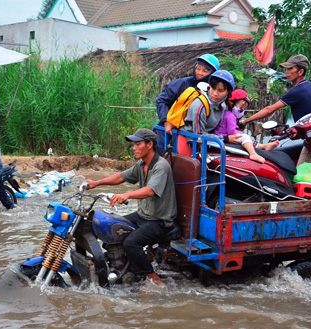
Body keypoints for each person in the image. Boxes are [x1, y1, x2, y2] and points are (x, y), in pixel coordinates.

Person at [86, 128, 177, 285]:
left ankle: (151, 277)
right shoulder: (142, 164)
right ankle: (121, 266)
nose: (134, 148)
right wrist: (96, 183)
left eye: (138, 144)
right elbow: (121, 177)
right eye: (133, 145)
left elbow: (150, 191)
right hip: (143, 214)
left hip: (160, 220)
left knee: (131, 243)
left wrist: (126, 195)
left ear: (149, 145)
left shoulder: (160, 166)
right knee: (110, 228)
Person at [240, 54, 311, 164]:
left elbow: (269, 109)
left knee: (300, 175)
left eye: (290, 68)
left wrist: (245, 121)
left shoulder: (297, 91)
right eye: (286, 69)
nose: (287, 71)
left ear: (300, 72)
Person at [155, 53, 220, 156]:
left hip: (193, 135)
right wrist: (166, 121)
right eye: (198, 68)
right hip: (170, 131)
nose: (199, 73)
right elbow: (161, 101)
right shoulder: (181, 84)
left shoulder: (214, 93)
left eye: (205, 71)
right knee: (163, 161)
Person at [214, 89, 279, 163]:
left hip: (222, 135)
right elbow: (231, 132)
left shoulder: (226, 114)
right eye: (241, 107)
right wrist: (240, 133)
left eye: (244, 109)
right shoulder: (230, 116)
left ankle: (263, 146)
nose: (242, 110)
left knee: (245, 137)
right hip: (225, 136)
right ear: (231, 103)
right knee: (245, 137)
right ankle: (253, 153)